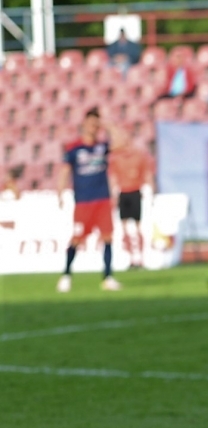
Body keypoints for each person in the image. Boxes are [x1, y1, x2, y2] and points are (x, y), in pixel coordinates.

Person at [57, 107, 121, 292]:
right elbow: (65, 171)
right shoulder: (74, 148)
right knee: (77, 239)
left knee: (107, 237)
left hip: (103, 199)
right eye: (91, 123)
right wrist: (60, 192)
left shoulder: (101, 147)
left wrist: (108, 125)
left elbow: (122, 142)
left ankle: (108, 277)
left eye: (96, 124)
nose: (94, 127)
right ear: (84, 124)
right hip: (83, 201)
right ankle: (66, 275)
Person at [108, 131, 155, 268]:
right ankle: (129, 258)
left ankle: (140, 257)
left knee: (138, 226)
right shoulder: (116, 158)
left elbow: (147, 174)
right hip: (123, 192)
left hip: (135, 192)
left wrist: (150, 191)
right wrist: (113, 195)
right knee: (124, 228)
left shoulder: (139, 156)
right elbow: (113, 177)